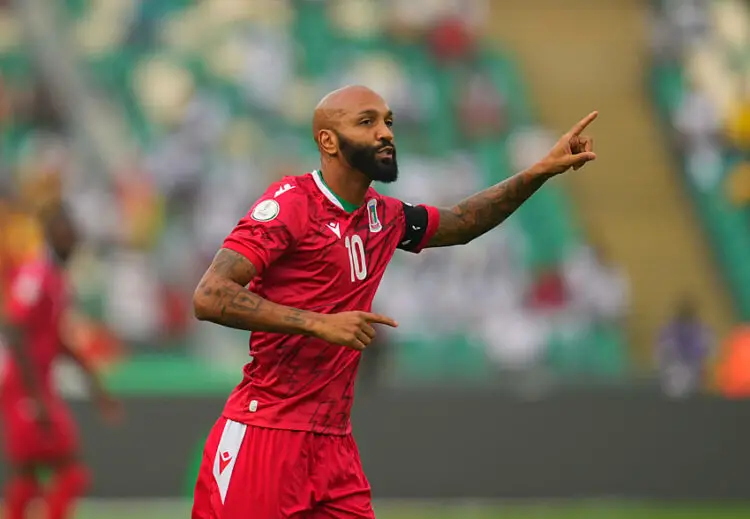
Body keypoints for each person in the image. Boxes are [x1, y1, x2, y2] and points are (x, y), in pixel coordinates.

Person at [191, 85, 597, 519]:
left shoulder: (382, 216)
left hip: (333, 444)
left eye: (388, 121)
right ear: (328, 140)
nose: (385, 132)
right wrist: (317, 323)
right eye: (367, 122)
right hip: (266, 434)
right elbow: (209, 295)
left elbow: (461, 223)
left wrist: (539, 172)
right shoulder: (291, 204)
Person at [0, 204, 122, 519]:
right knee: (71, 470)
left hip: (34, 387)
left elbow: (56, 340)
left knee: (27, 477)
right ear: (53, 233)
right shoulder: (37, 273)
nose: (75, 240)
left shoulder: (54, 277)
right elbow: (14, 328)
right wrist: (36, 396)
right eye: (69, 232)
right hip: (24, 388)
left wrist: (94, 384)